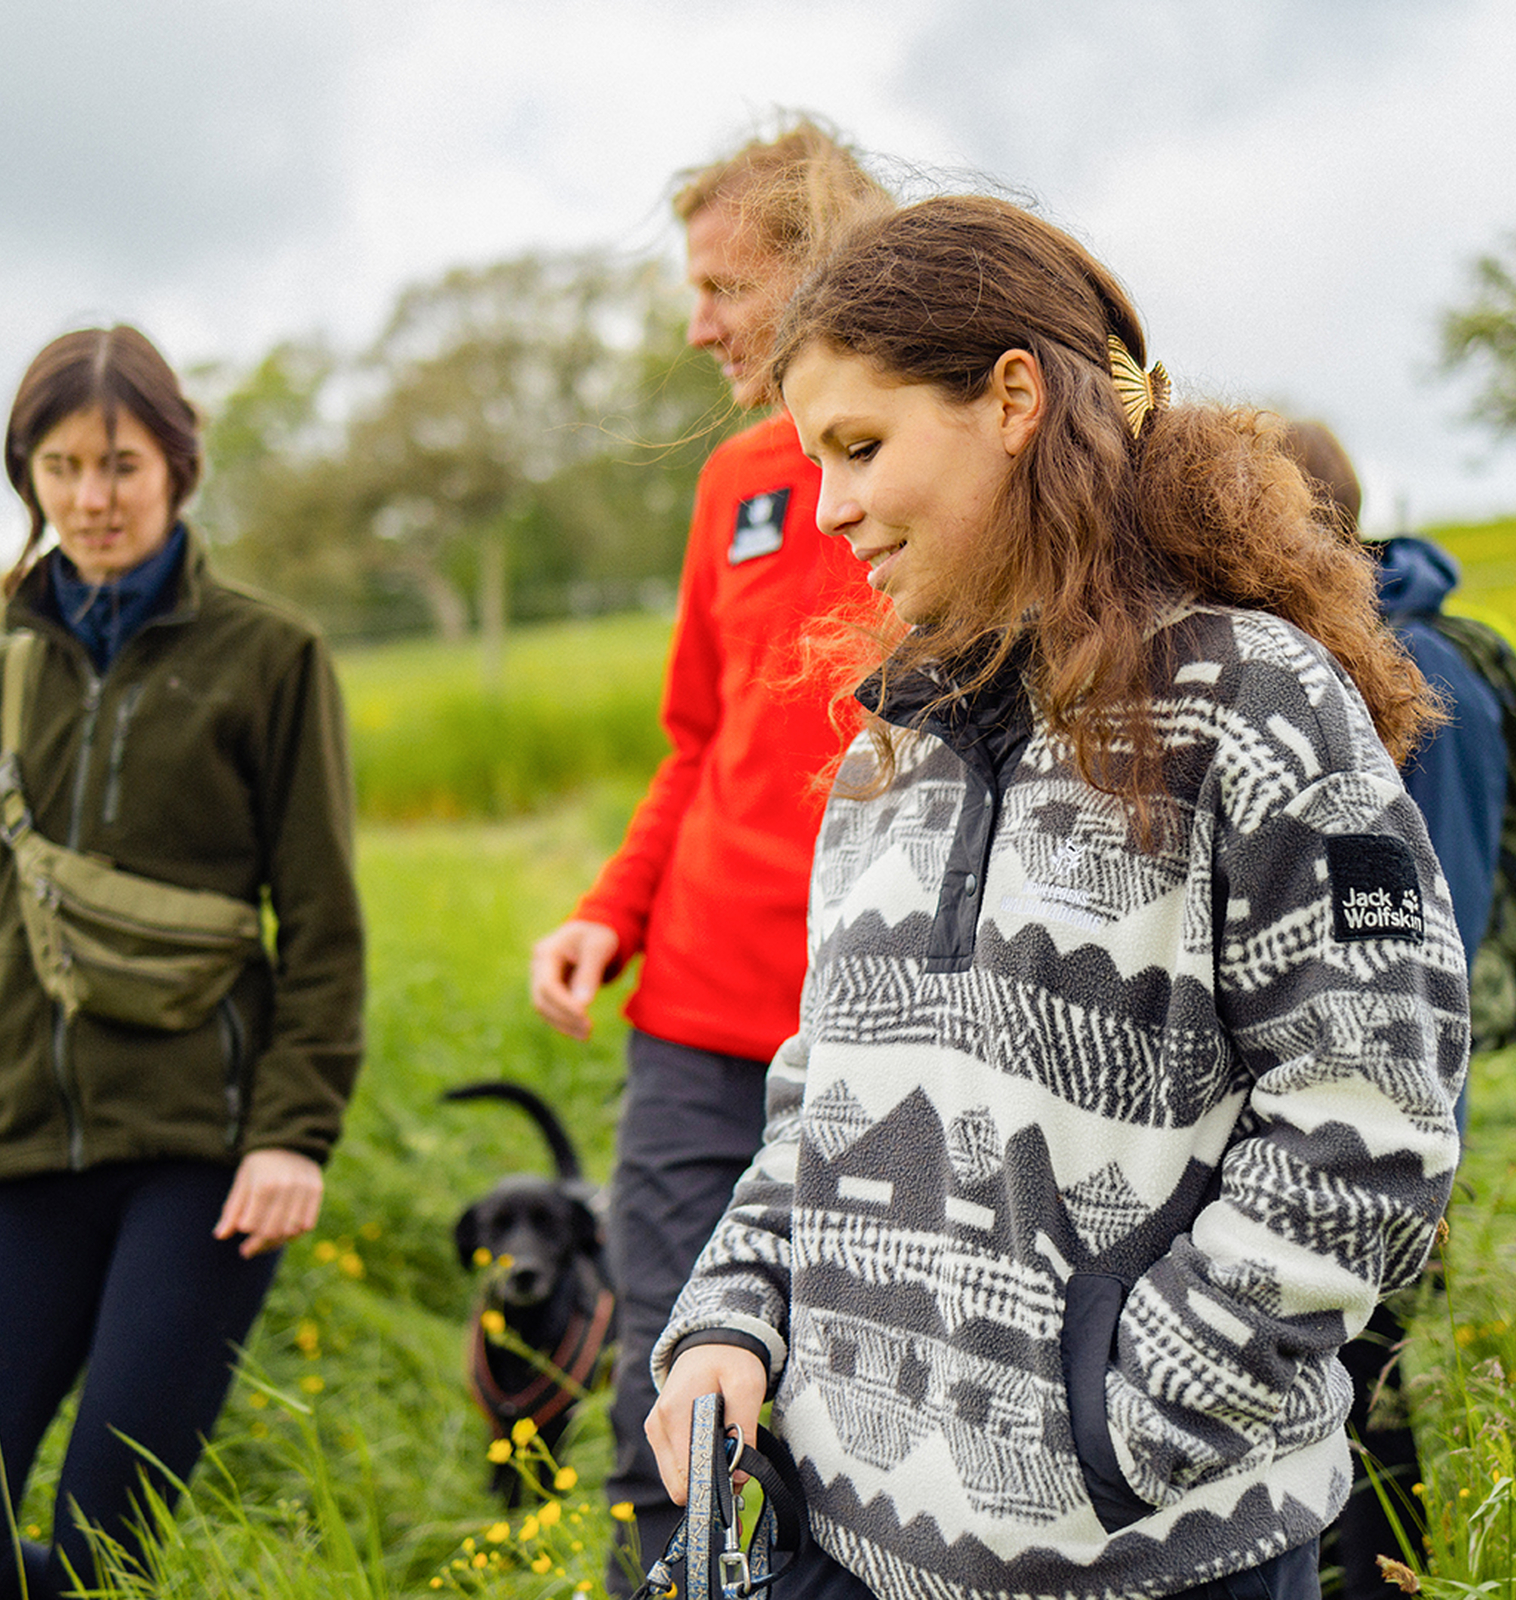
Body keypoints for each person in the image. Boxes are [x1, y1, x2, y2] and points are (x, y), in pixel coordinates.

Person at [644, 196, 1471, 1600]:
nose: (830, 506)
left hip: (1148, 1560)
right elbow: (824, 1093)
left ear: (1015, 398)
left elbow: (1373, 1116)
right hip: (849, 1550)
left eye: (861, 446)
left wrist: (1129, 1427)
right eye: (814, 457)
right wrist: (732, 1317)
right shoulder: (884, 743)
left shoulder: (1254, 706)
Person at [526, 118, 888, 1583]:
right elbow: (701, 738)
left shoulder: (928, 467)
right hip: (691, 1020)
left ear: (822, 270)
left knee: (840, 1423)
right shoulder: (731, 477)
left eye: (725, 286)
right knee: (661, 1412)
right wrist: (612, 914)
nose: (698, 325)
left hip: (867, 1024)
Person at [0, 326, 363, 1598]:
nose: (91, 499)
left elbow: (321, 922)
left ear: (176, 467)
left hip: (206, 1162)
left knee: (105, 1549)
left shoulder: (270, 657)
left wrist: (292, 1136)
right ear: (27, 473)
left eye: (120, 465)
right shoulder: (5, 656)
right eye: (60, 467)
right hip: (19, 1148)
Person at [1283, 420, 1506, 1600]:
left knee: (1357, 1390)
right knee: (1379, 1376)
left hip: (1382, 1086)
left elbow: (1382, 909)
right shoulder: (1442, 654)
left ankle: (1379, 1586)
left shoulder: (1372, 672)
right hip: (1435, 1075)